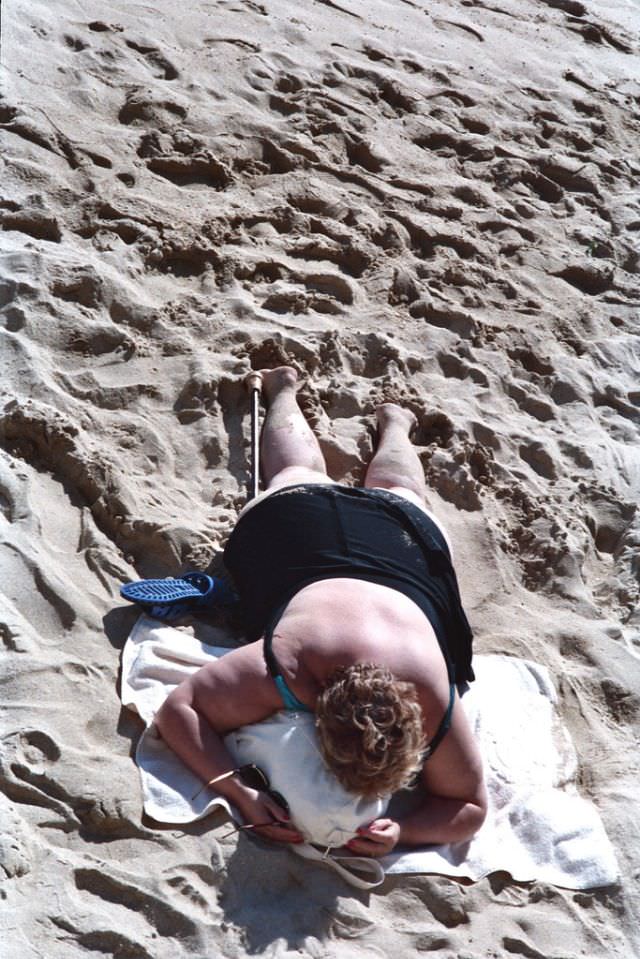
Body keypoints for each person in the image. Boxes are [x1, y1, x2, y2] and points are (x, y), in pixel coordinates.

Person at [155, 367, 487, 856]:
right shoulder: (292, 667)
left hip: (383, 556)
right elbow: (177, 711)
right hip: (347, 549)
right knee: (357, 488)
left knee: (331, 484)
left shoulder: (424, 700)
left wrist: (404, 832)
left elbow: (471, 809)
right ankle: (391, 423)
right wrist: (238, 792)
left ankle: (290, 392)